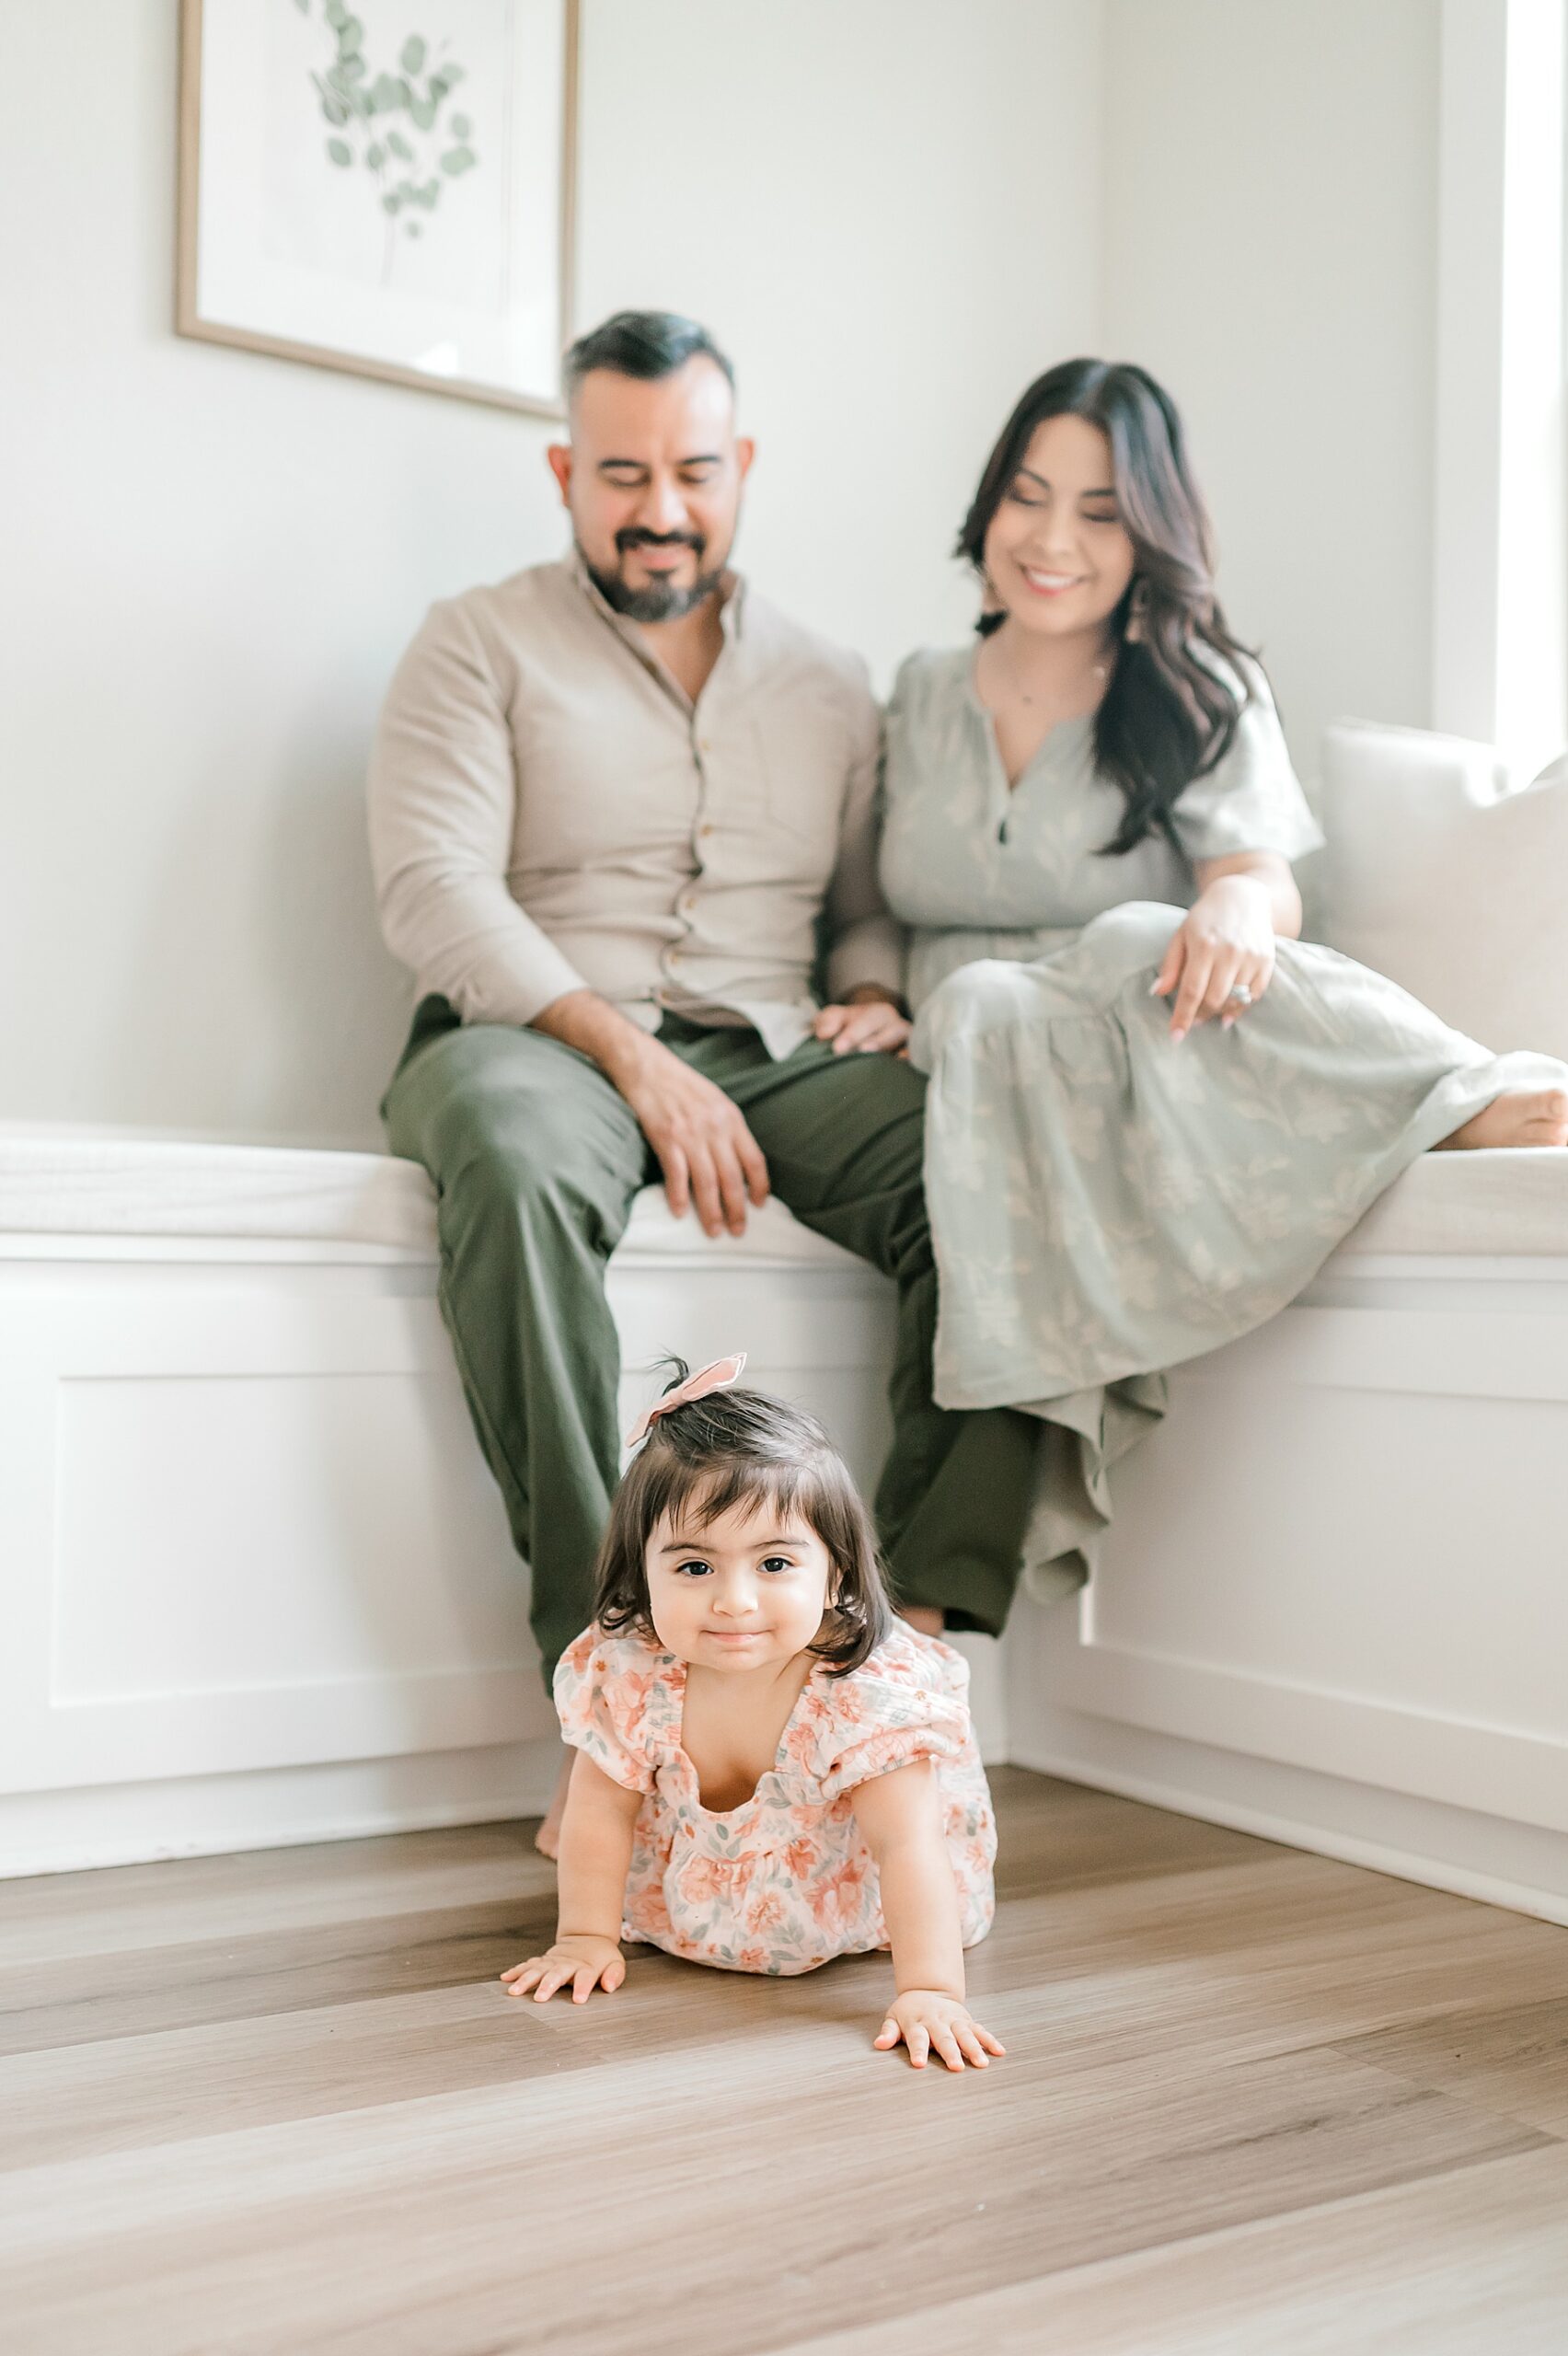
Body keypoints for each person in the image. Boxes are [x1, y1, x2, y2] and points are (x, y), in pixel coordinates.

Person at [368, 312, 1038, 1854]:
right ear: (563, 472)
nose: (655, 505)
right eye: (618, 471)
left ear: (738, 471)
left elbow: (859, 903)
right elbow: (432, 889)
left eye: (688, 470)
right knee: (514, 1160)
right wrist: (632, 1060)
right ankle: (605, 1682)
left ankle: (894, 1679)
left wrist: (868, 989)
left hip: (774, 1048)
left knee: (995, 1166)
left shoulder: (826, 677)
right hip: (537, 1040)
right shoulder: (473, 641)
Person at [879, 357, 1568, 1590]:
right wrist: (867, 990)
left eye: (1098, 512)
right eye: (1028, 498)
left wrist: (1239, 909)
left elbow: (1257, 875)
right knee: (983, 997)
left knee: (1138, 933)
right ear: (988, 505)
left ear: (1149, 535)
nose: (1050, 540)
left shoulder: (1198, 686)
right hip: (961, 1040)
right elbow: (856, 905)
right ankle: (1443, 1109)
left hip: (1136, 1036)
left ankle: (1464, 1096)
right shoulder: (918, 696)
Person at [501, 1356, 1004, 2073]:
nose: (734, 1601)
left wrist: (931, 1989)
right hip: (686, 1914)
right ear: (643, 1573)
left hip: (854, 1914)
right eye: (695, 1567)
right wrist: (585, 1937)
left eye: (773, 1565)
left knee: (906, 1842)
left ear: (834, 1572)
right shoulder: (631, 1670)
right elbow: (599, 1811)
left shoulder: (864, 1692)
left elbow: (907, 1845)